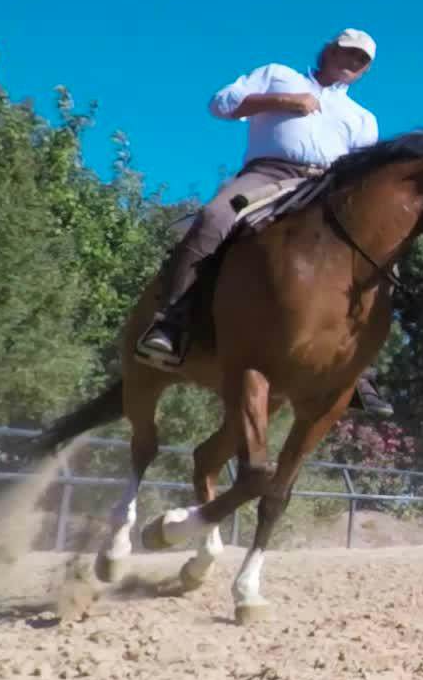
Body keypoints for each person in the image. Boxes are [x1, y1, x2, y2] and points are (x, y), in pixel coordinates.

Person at [135, 28, 394, 418]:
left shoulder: (362, 119)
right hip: (269, 174)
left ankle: (356, 364)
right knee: (214, 217)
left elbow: (362, 171)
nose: (352, 63)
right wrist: (282, 101)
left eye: (361, 61)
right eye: (347, 53)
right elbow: (220, 104)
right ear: (328, 50)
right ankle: (171, 323)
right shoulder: (278, 74)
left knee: (377, 254)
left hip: (325, 188)